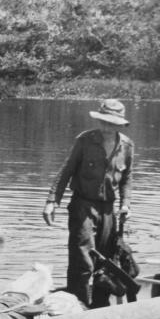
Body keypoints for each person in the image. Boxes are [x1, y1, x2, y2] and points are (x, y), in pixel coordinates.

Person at [43, 98, 133, 307]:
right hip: (83, 205)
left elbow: (127, 177)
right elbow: (67, 170)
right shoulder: (85, 140)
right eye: (104, 122)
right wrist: (51, 201)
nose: (107, 127)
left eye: (112, 123)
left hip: (109, 210)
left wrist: (125, 204)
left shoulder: (127, 146)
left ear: (119, 124)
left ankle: (100, 306)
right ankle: (78, 306)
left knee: (106, 261)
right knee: (82, 261)